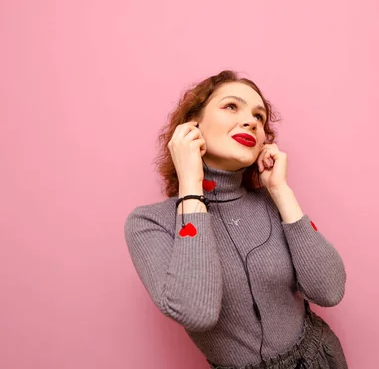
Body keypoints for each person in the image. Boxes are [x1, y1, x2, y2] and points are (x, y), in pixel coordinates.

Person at [124, 70, 348, 369]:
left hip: (320, 358)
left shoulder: (273, 204)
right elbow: (197, 311)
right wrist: (190, 182)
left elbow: (329, 290)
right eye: (231, 106)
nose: (251, 122)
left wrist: (280, 190)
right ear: (191, 126)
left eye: (259, 117)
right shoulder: (149, 223)